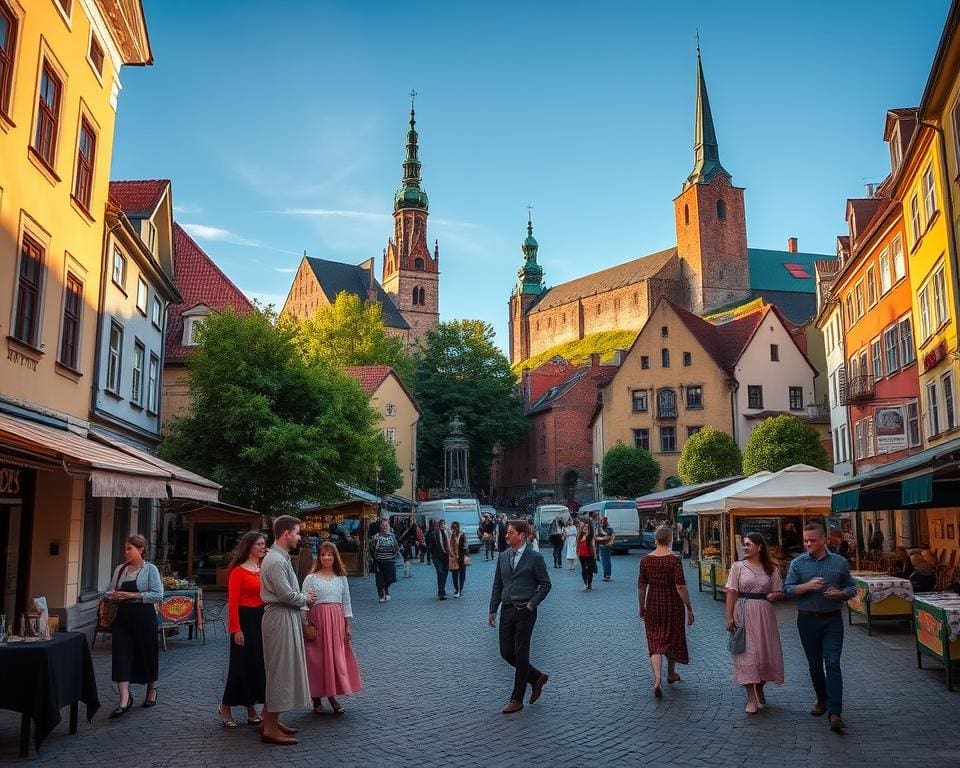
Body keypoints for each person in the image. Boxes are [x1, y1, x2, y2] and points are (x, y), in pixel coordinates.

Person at [783, 522, 857, 735]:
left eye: (813, 540)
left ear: (824, 540)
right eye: (806, 540)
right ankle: (822, 700)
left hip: (832, 619)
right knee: (814, 664)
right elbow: (787, 590)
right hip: (807, 620)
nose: (808, 544)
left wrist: (841, 594)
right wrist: (806, 587)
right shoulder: (798, 563)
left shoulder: (839, 562)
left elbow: (851, 586)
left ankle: (835, 713)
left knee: (832, 663)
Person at [260, 515, 317, 745]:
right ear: (285, 534)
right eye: (297, 532)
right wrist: (306, 599)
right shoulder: (275, 560)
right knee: (279, 671)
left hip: (285, 615)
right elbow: (285, 594)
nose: (299, 537)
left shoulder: (279, 557)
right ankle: (270, 728)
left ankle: (269, 719)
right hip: (280, 617)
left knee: (280, 669)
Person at [488, 519, 552, 714]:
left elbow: (546, 584)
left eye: (510, 532)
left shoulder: (535, 558)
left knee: (521, 652)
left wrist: (532, 603)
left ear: (522, 535)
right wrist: (492, 610)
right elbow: (497, 585)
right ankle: (536, 677)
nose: (506, 535)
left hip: (525, 610)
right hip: (507, 609)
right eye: (507, 532)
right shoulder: (503, 556)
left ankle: (517, 699)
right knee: (506, 653)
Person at [724, 533, 785, 715]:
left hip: (765, 614)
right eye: (743, 544)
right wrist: (729, 617)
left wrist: (776, 595)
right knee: (748, 653)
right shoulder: (737, 567)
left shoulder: (771, 569)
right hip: (743, 611)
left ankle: (760, 686)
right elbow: (731, 592)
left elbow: (779, 591)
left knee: (764, 652)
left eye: (748, 544)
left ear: (759, 547)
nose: (744, 547)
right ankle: (751, 697)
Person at [302, 543, 362, 715]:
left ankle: (332, 695)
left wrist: (348, 625)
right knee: (317, 660)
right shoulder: (311, 578)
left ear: (335, 557)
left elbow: (347, 602)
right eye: (323, 554)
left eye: (330, 554)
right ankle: (316, 699)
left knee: (335, 659)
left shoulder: (341, 578)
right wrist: (306, 624)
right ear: (318, 557)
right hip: (318, 623)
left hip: (336, 623)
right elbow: (304, 604)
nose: (327, 557)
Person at [107, 534, 163, 717]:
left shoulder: (150, 569)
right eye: (125, 548)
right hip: (122, 618)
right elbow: (110, 589)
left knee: (147, 654)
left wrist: (132, 596)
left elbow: (157, 594)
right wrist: (113, 595)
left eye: (130, 548)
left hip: (144, 617)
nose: (126, 552)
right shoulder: (120, 569)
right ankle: (124, 699)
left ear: (141, 550)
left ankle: (151, 690)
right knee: (121, 655)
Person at [638, 526, 695, 697]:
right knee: (673, 637)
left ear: (656, 539)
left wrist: (641, 606)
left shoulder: (646, 560)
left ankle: (657, 679)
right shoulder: (674, 560)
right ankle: (671, 673)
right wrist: (689, 608)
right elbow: (680, 586)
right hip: (673, 605)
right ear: (670, 539)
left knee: (655, 642)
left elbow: (641, 587)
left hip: (653, 604)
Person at [219, 531, 268, 728]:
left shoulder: (263, 569)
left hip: (261, 619)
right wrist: (236, 629)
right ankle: (225, 706)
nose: (263, 547)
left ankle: (251, 708)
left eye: (264, 544)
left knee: (257, 665)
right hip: (245, 619)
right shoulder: (238, 571)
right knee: (240, 666)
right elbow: (232, 603)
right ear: (249, 547)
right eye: (259, 544)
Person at [369, 518, 400, 603]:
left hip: (390, 561)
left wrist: (395, 554)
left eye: (386, 525)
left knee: (390, 578)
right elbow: (372, 548)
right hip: (379, 561)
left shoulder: (392, 536)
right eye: (383, 525)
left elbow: (396, 547)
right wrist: (375, 558)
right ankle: (381, 595)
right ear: (380, 526)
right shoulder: (376, 536)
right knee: (379, 579)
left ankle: (386, 588)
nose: (385, 527)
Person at [428, 518, 450, 599]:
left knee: (445, 573)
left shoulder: (447, 533)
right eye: (443, 524)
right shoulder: (434, 533)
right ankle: (441, 592)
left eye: (445, 524)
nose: (445, 525)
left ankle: (441, 590)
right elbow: (430, 545)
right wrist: (432, 556)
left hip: (446, 556)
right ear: (440, 525)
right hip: (437, 556)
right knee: (440, 573)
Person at [449, 521, 470, 597]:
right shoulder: (451, 536)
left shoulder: (462, 535)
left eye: (454, 528)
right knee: (454, 574)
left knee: (462, 575)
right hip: (454, 557)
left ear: (458, 528)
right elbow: (450, 546)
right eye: (452, 528)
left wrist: (465, 553)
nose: (453, 529)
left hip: (461, 557)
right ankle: (457, 589)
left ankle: (460, 590)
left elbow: (465, 546)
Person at [577, 520, 596, 591]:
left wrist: (595, 554)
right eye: (585, 529)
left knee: (590, 569)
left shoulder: (591, 536)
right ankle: (585, 583)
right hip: (582, 555)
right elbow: (578, 545)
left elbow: (593, 545)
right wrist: (577, 552)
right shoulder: (580, 536)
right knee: (584, 569)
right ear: (582, 529)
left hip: (590, 554)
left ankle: (590, 583)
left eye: (587, 529)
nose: (586, 530)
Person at [596, 517, 615, 582]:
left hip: (604, 546)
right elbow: (608, 537)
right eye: (600, 522)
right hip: (604, 546)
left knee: (605, 561)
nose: (600, 523)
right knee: (606, 561)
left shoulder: (606, 529)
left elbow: (608, 537)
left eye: (601, 522)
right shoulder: (606, 529)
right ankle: (607, 575)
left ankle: (606, 575)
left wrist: (601, 538)